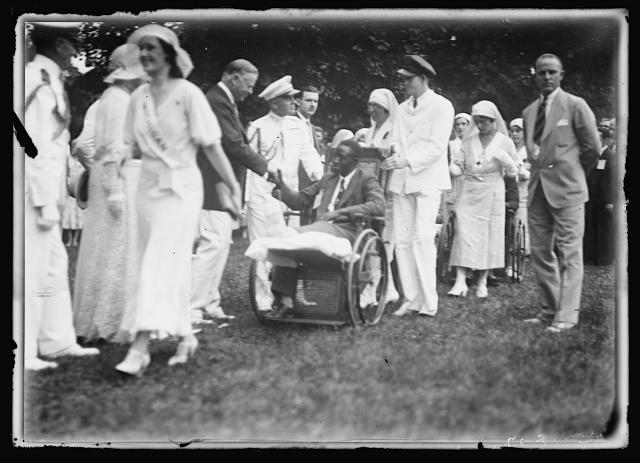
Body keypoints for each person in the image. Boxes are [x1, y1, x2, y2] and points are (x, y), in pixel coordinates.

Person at [114, 24, 241, 376]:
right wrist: (122, 157)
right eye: (140, 50)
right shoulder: (137, 97)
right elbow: (132, 143)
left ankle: (138, 348)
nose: (144, 55)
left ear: (168, 54)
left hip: (181, 191)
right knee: (153, 263)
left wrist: (232, 187)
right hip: (147, 190)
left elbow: (212, 145)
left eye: (151, 49)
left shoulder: (188, 94)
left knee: (158, 262)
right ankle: (186, 333)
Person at [23, 22, 99, 371]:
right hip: (32, 192)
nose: (76, 53)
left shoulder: (48, 77)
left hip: (48, 191)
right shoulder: (35, 79)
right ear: (57, 44)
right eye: (72, 46)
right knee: (31, 271)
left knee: (54, 266)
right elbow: (32, 145)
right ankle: (22, 352)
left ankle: (57, 341)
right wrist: (42, 200)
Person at [190, 59, 278, 323]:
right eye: (248, 85)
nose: (250, 91)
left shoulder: (223, 101)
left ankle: (209, 302)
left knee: (221, 244)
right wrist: (266, 167)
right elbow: (232, 144)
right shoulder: (216, 100)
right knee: (213, 243)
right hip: (212, 184)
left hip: (221, 187)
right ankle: (192, 307)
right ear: (234, 77)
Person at [72, 43, 148, 343]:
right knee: (115, 249)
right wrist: (112, 186)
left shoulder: (119, 98)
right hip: (117, 183)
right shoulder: (117, 100)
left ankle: (111, 317)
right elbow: (109, 150)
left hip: (118, 180)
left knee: (116, 250)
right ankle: (106, 320)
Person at [522, 53, 600, 333]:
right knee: (540, 251)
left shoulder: (576, 105)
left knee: (569, 252)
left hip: (568, 190)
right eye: (541, 72)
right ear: (535, 75)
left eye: (551, 72)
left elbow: (593, 149)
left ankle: (567, 316)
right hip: (537, 191)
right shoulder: (530, 111)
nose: (546, 77)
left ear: (561, 74)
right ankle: (549, 311)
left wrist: (574, 174)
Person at [266, 138, 386, 317]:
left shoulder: (366, 179)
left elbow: (379, 205)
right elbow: (300, 200)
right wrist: (281, 186)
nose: (336, 160)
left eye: (342, 158)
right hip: (321, 229)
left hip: (349, 232)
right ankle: (285, 301)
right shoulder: (328, 179)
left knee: (292, 235)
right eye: (336, 156)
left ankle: (293, 235)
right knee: (288, 242)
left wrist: (342, 213)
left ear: (354, 162)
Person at [381, 54, 454, 318]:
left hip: (427, 181)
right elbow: (398, 139)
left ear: (424, 78)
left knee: (422, 239)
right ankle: (410, 298)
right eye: (402, 80)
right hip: (401, 181)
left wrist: (404, 160)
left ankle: (429, 301)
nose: (404, 84)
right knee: (402, 240)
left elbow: (436, 148)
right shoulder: (401, 108)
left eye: (408, 79)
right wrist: (394, 152)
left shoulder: (442, 106)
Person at [245, 75, 324, 312]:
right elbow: (248, 163)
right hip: (262, 194)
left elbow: (309, 156)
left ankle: (288, 295)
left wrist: (321, 180)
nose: (293, 101)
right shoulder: (257, 127)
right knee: (261, 246)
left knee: (290, 245)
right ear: (273, 102)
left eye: (293, 97)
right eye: (287, 98)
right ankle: (263, 298)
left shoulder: (297, 125)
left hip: (289, 196)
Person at [447, 101, 519, 298]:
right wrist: (445, 167)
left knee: (488, 235)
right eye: (477, 121)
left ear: (493, 120)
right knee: (463, 231)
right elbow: (459, 167)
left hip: (492, 191)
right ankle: (461, 281)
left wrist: (507, 161)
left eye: (484, 121)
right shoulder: (468, 142)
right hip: (469, 190)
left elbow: (514, 172)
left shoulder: (505, 142)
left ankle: (482, 282)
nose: (480, 125)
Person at [358, 88, 401, 304]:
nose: (371, 110)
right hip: (370, 189)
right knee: (372, 238)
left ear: (385, 109)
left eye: (375, 107)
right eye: (370, 106)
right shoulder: (369, 131)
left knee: (384, 241)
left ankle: (376, 288)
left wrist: (391, 149)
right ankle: (382, 288)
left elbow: (398, 150)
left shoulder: (394, 130)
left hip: (388, 190)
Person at [583, 119, 616, 266]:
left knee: (604, 230)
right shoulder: (594, 156)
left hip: (604, 199)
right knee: (592, 227)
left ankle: (604, 258)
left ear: (604, 140)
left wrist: (610, 200)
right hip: (592, 198)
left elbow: (613, 181)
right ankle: (592, 255)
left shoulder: (610, 156)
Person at [295, 85, 327, 215]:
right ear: (298, 101)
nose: (312, 105)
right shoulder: (290, 122)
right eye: (308, 100)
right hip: (295, 183)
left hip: (312, 185)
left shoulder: (314, 129)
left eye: (315, 101)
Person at [508, 117, 531, 257]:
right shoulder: (508, 148)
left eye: (518, 131)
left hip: (523, 190)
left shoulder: (529, 151)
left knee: (522, 220)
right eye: (512, 131)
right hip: (510, 188)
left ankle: (523, 250)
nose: (515, 134)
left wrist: (523, 172)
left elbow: (529, 172)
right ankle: (510, 248)